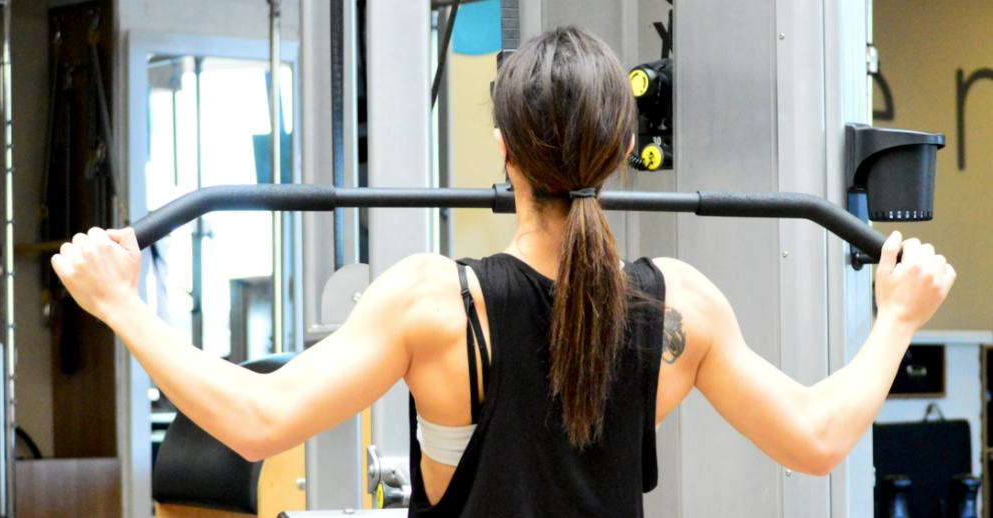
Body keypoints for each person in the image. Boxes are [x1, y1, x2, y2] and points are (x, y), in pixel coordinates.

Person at [51, 26, 954, 517]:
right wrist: (897, 317)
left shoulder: (435, 302)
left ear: (505, 152)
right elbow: (817, 439)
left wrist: (123, 305)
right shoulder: (680, 306)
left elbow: (257, 423)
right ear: (621, 152)